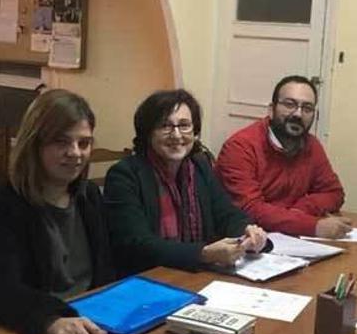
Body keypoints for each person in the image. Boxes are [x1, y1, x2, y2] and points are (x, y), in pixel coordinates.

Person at [0, 89, 117, 334]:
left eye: (84, 143)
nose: (75, 153)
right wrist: (51, 321)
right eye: (61, 142)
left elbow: (105, 271)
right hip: (36, 333)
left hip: (94, 327)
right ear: (35, 144)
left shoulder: (89, 196)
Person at [104, 89, 268, 275]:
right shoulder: (125, 175)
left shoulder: (199, 166)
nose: (176, 135)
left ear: (195, 132)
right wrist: (203, 254)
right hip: (146, 278)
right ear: (148, 133)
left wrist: (248, 230)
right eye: (165, 126)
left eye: (184, 126)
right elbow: (137, 245)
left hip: (194, 274)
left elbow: (226, 213)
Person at [214, 75, 348, 238]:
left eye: (307, 108)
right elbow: (250, 209)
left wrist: (301, 210)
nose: (298, 114)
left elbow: (334, 192)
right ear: (271, 109)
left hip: (288, 236)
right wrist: (312, 226)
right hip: (240, 240)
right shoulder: (240, 147)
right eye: (289, 104)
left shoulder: (312, 145)